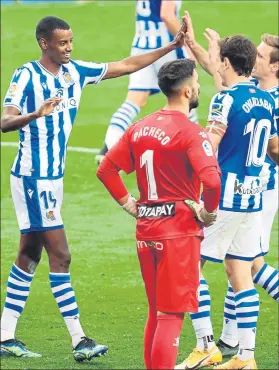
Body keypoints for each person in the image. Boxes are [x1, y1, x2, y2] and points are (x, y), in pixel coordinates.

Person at [0, 15, 186, 360]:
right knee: (61, 254)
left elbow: (127, 64)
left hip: (52, 178)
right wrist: (35, 114)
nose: (69, 48)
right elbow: (4, 121)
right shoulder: (26, 75)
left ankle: (5, 334)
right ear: (44, 43)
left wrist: (170, 47)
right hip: (32, 176)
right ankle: (79, 339)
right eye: (62, 43)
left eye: (71, 41)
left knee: (29, 253)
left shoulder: (76, 72)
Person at [97, 58, 221, 369]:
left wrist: (130, 205)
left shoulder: (139, 127)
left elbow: (106, 169)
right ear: (188, 91)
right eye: (197, 82)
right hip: (178, 233)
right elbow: (212, 180)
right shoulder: (192, 133)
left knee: (155, 311)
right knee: (171, 315)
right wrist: (208, 212)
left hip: (147, 230)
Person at [176, 12, 279, 361]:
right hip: (253, 198)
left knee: (189, 267)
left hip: (225, 200)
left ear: (229, 63)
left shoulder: (224, 100)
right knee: (240, 274)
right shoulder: (266, 100)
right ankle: (246, 356)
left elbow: (210, 144)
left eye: (219, 62)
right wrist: (197, 46)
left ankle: (205, 346)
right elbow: (273, 147)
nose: (216, 68)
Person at [95, 0, 198, 165]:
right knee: (186, 95)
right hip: (165, 47)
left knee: (135, 100)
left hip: (142, 46)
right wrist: (188, 45)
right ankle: (199, 148)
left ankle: (108, 148)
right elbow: (167, 14)